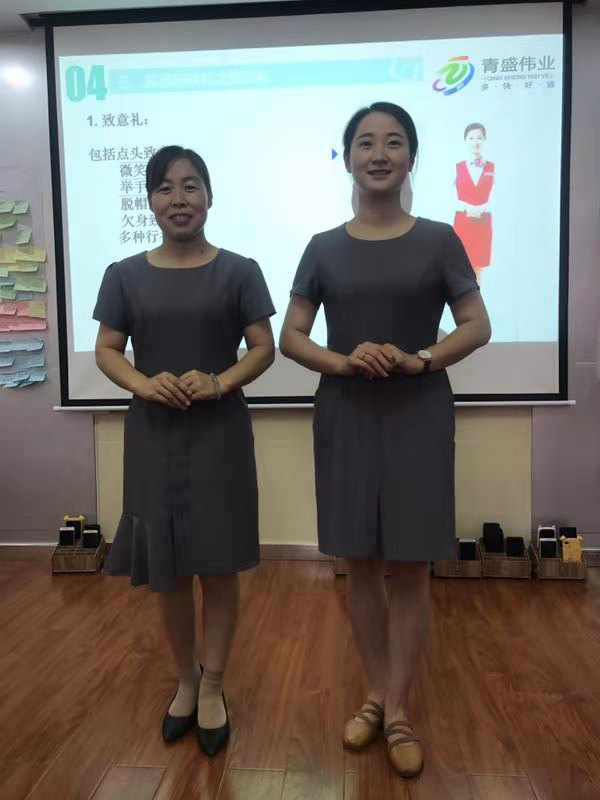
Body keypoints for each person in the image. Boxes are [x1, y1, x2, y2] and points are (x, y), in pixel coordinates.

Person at [279, 102, 491, 778]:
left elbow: (476, 324)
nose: (379, 154)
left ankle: (397, 708)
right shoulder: (322, 247)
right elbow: (291, 337)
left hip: (418, 411)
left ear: (410, 157)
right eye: (366, 143)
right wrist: (344, 362)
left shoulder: (439, 239)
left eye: (394, 142)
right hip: (346, 411)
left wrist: (420, 358)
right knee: (361, 563)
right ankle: (376, 691)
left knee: (410, 564)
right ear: (347, 158)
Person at [93, 145, 275, 757]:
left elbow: (263, 347)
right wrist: (144, 384)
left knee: (218, 566)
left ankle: (215, 684)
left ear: (210, 196)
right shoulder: (123, 273)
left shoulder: (241, 270)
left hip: (220, 435)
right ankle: (186, 680)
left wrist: (220, 381)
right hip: (153, 435)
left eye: (191, 185)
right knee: (167, 570)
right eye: (165, 187)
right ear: (149, 200)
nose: (179, 198)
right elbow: (108, 349)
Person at [453, 122, 495, 283]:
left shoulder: (492, 167)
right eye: (471, 138)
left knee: (478, 267)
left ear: (484, 140)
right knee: (459, 265)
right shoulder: (456, 167)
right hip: (462, 222)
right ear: (465, 140)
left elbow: (500, 196)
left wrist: (482, 208)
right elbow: (446, 196)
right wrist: (466, 207)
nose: (475, 142)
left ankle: (476, 296)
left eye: (479, 138)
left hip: (482, 223)